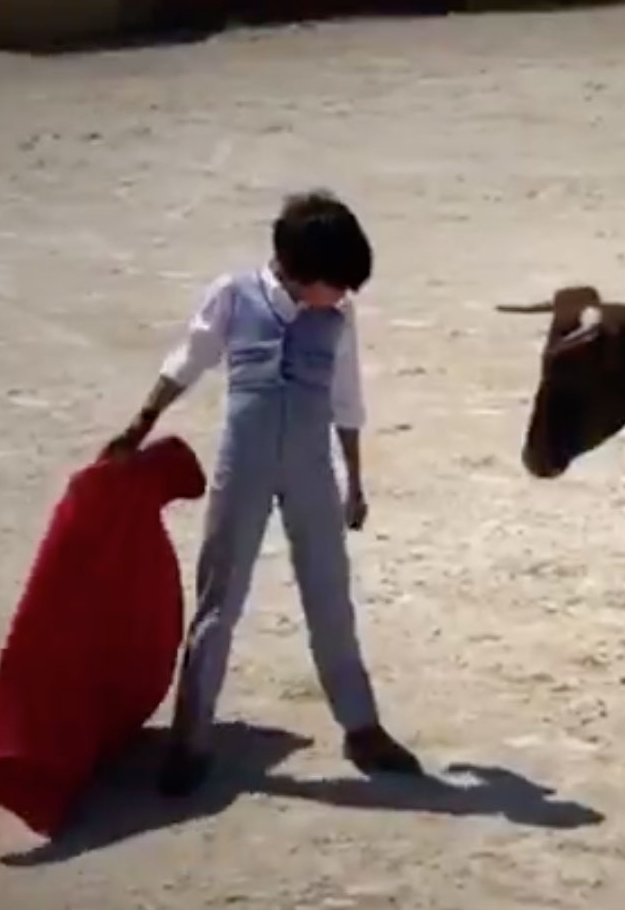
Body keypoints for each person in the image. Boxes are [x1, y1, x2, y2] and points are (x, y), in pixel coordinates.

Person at [103, 188, 422, 795]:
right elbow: (187, 361)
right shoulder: (234, 294)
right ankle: (190, 735)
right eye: (339, 282)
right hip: (243, 466)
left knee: (331, 599)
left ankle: (361, 726)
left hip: (309, 469)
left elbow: (346, 398)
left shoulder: (337, 317)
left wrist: (354, 478)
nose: (345, 296)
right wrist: (140, 425)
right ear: (303, 273)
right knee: (219, 601)